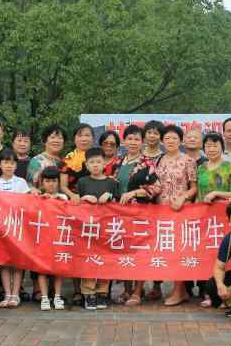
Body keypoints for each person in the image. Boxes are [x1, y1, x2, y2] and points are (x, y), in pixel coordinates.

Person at [111, 125, 161, 306]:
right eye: (129, 138)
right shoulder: (118, 163)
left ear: (142, 142)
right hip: (119, 214)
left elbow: (157, 188)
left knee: (139, 252)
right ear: (124, 141)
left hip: (140, 214)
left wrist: (134, 193)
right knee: (124, 251)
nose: (133, 142)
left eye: (137, 139)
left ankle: (138, 291)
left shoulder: (147, 163)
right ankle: (127, 289)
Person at [155, 125, 198, 306]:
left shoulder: (188, 160)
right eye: (167, 138)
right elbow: (155, 183)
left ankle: (178, 291)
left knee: (180, 251)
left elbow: (194, 187)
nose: (170, 141)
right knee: (167, 250)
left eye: (174, 138)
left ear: (180, 141)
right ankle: (182, 292)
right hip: (161, 211)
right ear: (162, 141)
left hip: (181, 210)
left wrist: (183, 198)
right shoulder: (159, 160)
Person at [77, 147, 118, 310]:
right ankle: (89, 294)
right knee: (88, 261)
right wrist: (84, 198)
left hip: (107, 229)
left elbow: (119, 203)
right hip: (87, 229)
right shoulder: (82, 182)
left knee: (105, 260)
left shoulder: (111, 183)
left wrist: (110, 196)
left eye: (98, 162)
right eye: (92, 162)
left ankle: (102, 293)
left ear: (104, 164)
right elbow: (74, 204)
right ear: (86, 165)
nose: (95, 165)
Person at [0, 149, 31, 308]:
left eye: (12, 163)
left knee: (17, 261)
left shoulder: (21, 182)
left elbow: (27, 202)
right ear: (0, 164)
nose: (9, 165)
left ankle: (16, 293)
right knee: (4, 261)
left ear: (16, 165)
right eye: (6, 162)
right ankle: (7, 293)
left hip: (18, 226)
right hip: (0, 227)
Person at [35, 166, 67, 311]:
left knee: (58, 268)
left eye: (54, 181)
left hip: (59, 238)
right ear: (42, 182)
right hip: (42, 239)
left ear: (58, 182)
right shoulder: (37, 197)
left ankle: (58, 296)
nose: (51, 184)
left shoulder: (63, 198)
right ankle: (44, 297)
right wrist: (37, 196)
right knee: (42, 269)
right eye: (47, 181)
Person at [197, 132, 231, 203]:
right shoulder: (201, 168)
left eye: (215, 146)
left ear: (222, 148)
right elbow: (198, 193)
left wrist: (215, 193)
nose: (212, 149)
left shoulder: (229, 167)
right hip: (202, 209)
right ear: (204, 149)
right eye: (208, 146)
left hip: (222, 209)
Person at [60, 124, 94, 201]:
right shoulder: (67, 160)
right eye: (80, 136)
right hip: (73, 202)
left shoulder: (99, 157)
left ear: (93, 139)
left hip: (96, 201)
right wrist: (73, 195)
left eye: (87, 135)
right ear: (74, 139)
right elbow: (63, 186)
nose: (84, 139)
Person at [27, 124, 66, 189]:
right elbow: (30, 186)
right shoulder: (36, 161)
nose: (56, 141)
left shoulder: (64, 162)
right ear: (45, 141)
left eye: (60, 138)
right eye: (52, 137)